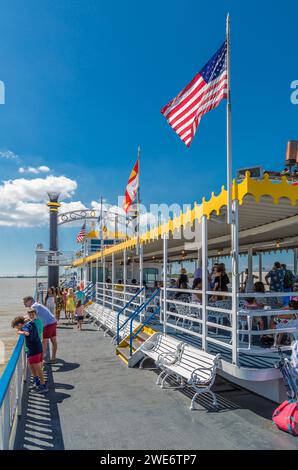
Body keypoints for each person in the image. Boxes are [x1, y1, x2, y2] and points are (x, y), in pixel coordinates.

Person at [11, 315, 48, 393]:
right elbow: (28, 318)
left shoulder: (25, 327)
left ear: (19, 324)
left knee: (38, 369)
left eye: (17, 327)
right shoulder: (31, 323)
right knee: (31, 367)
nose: (17, 329)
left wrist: (20, 332)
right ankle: (37, 383)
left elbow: (27, 333)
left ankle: (43, 387)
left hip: (34, 350)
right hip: (37, 348)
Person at [23, 296, 57, 364]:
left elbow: (32, 317)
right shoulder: (37, 304)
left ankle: (41, 360)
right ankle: (53, 358)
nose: (24, 305)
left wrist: (23, 321)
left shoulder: (33, 306)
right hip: (53, 321)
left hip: (48, 324)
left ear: (29, 300)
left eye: (25, 302)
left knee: (44, 342)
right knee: (53, 341)